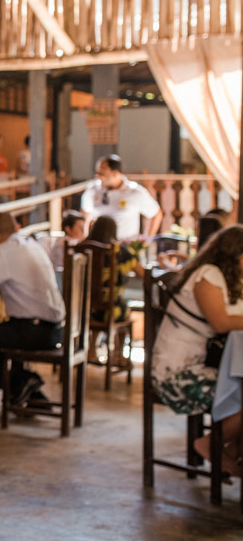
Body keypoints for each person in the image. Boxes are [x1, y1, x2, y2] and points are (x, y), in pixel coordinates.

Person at [151, 225, 243, 474]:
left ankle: (229, 451)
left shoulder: (217, 276)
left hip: (196, 366)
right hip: (177, 375)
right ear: (235, 254)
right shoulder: (208, 275)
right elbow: (221, 322)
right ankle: (211, 444)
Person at [0, 212, 67, 408]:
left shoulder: (4, 251)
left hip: (34, 329)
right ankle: (33, 395)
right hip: (56, 328)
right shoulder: (31, 244)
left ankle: (21, 382)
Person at [80, 154, 162, 239]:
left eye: (102, 173)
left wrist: (148, 240)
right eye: (97, 173)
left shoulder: (134, 192)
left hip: (125, 246)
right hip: (98, 246)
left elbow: (156, 214)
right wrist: (86, 236)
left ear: (115, 173)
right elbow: (86, 214)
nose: (98, 176)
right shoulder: (92, 190)